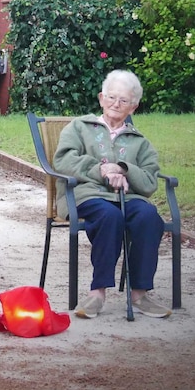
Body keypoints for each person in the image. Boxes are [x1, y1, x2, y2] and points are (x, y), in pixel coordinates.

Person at [52, 69, 172, 319]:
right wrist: (102, 169)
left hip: (129, 198)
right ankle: (97, 293)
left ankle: (139, 294)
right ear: (100, 98)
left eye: (124, 100)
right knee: (109, 216)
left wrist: (124, 169)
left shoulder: (140, 142)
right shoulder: (79, 127)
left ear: (134, 107)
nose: (116, 104)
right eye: (111, 97)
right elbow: (63, 160)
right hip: (87, 195)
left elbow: (150, 182)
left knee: (149, 216)